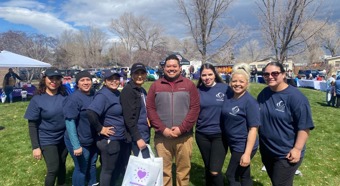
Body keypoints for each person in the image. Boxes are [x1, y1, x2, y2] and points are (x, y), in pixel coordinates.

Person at [257, 62, 314, 186]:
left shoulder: (296, 97)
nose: (270, 76)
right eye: (266, 74)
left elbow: (304, 126)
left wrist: (297, 149)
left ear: (283, 74)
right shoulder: (264, 93)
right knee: (276, 182)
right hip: (267, 150)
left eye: (275, 73)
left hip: (286, 153)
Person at [146, 54, 200, 186]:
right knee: (164, 172)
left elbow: (194, 108)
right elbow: (150, 109)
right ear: (164, 68)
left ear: (180, 68)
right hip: (162, 137)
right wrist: (163, 129)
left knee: (183, 171)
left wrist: (181, 129)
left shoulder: (189, 85)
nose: (171, 69)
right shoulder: (155, 86)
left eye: (174, 66)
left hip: (184, 137)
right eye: (168, 66)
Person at [24, 68, 68, 186]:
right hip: (47, 139)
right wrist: (35, 147)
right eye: (51, 78)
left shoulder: (65, 95)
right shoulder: (37, 99)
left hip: (63, 137)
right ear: (45, 79)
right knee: (53, 168)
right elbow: (32, 124)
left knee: (62, 164)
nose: (54, 81)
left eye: (57, 78)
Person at [221, 63, 260, 186]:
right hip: (233, 143)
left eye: (241, 82)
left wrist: (247, 154)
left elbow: (253, 129)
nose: (237, 84)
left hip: (243, 145)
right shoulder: (229, 97)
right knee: (244, 174)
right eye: (234, 81)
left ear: (247, 83)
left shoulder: (250, 102)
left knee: (231, 175)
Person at [87, 71, 126, 186]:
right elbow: (90, 112)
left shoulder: (115, 93)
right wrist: (100, 129)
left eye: (116, 79)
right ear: (105, 81)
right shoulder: (103, 95)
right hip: (110, 139)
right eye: (110, 79)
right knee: (108, 170)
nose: (114, 81)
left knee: (115, 169)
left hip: (118, 137)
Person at [195, 63, 231, 186]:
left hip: (220, 135)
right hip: (202, 134)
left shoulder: (225, 88)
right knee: (208, 167)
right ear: (200, 76)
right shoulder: (197, 91)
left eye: (210, 74)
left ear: (215, 75)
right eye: (204, 75)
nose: (207, 77)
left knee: (215, 170)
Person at [63, 71, 98, 186]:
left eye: (88, 80)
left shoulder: (94, 95)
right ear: (77, 83)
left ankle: (92, 183)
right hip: (79, 140)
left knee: (92, 164)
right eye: (82, 80)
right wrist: (76, 145)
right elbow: (70, 123)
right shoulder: (73, 99)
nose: (86, 83)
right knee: (82, 167)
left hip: (92, 138)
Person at [120, 62, 150, 158]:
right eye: (136, 73)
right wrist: (138, 138)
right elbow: (129, 119)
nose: (140, 76)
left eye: (142, 73)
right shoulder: (128, 91)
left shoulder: (141, 90)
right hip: (137, 135)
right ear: (131, 75)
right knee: (142, 166)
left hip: (145, 131)